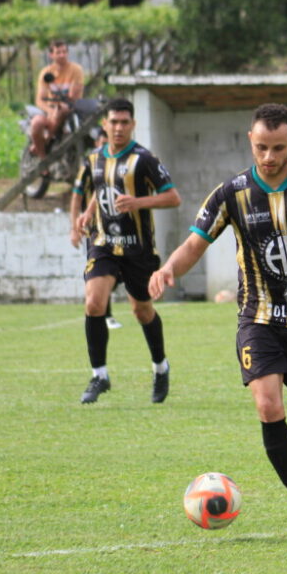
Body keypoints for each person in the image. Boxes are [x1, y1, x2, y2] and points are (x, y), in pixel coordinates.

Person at [149, 103, 287, 533]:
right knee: (268, 406)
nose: (269, 157)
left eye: (278, 148)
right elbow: (195, 243)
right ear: (251, 140)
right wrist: (170, 267)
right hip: (258, 318)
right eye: (262, 147)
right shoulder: (232, 193)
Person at [71, 98, 181, 405]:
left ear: (132, 125)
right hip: (103, 244)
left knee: (141, 311)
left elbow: (173, 198)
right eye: (113, 122)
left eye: (124, 122)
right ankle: (99, 376)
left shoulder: (144, 159)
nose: (118, 128)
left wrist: (138, 203)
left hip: (138, 250)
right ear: (104, 125)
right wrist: (86, 213)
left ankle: (161, 367)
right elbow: (98, 187)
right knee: (94, 303)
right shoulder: (93, 158)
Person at [71, 126, 122, 331]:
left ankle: (102, 308)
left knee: (118, 272)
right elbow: (77, 195)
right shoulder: (90, 163)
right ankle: (106, 315)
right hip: (95, 228)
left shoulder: (120, 161)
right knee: (100, 270)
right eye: (101, 141)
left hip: (118, 226)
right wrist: (74, 227)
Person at [29, 40, 85, 158]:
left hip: (69, 109)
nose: (62, 55)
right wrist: (50, 111)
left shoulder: (76, 70)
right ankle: (42, 157)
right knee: (36, 123)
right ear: (51, 55)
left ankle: (45, 141)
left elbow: (74, 96)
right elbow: (40, 99)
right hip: (49, 110)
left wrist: (61, 105)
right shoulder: (46, 72)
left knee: (63, 109)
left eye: (64, 52)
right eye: (58, 52)